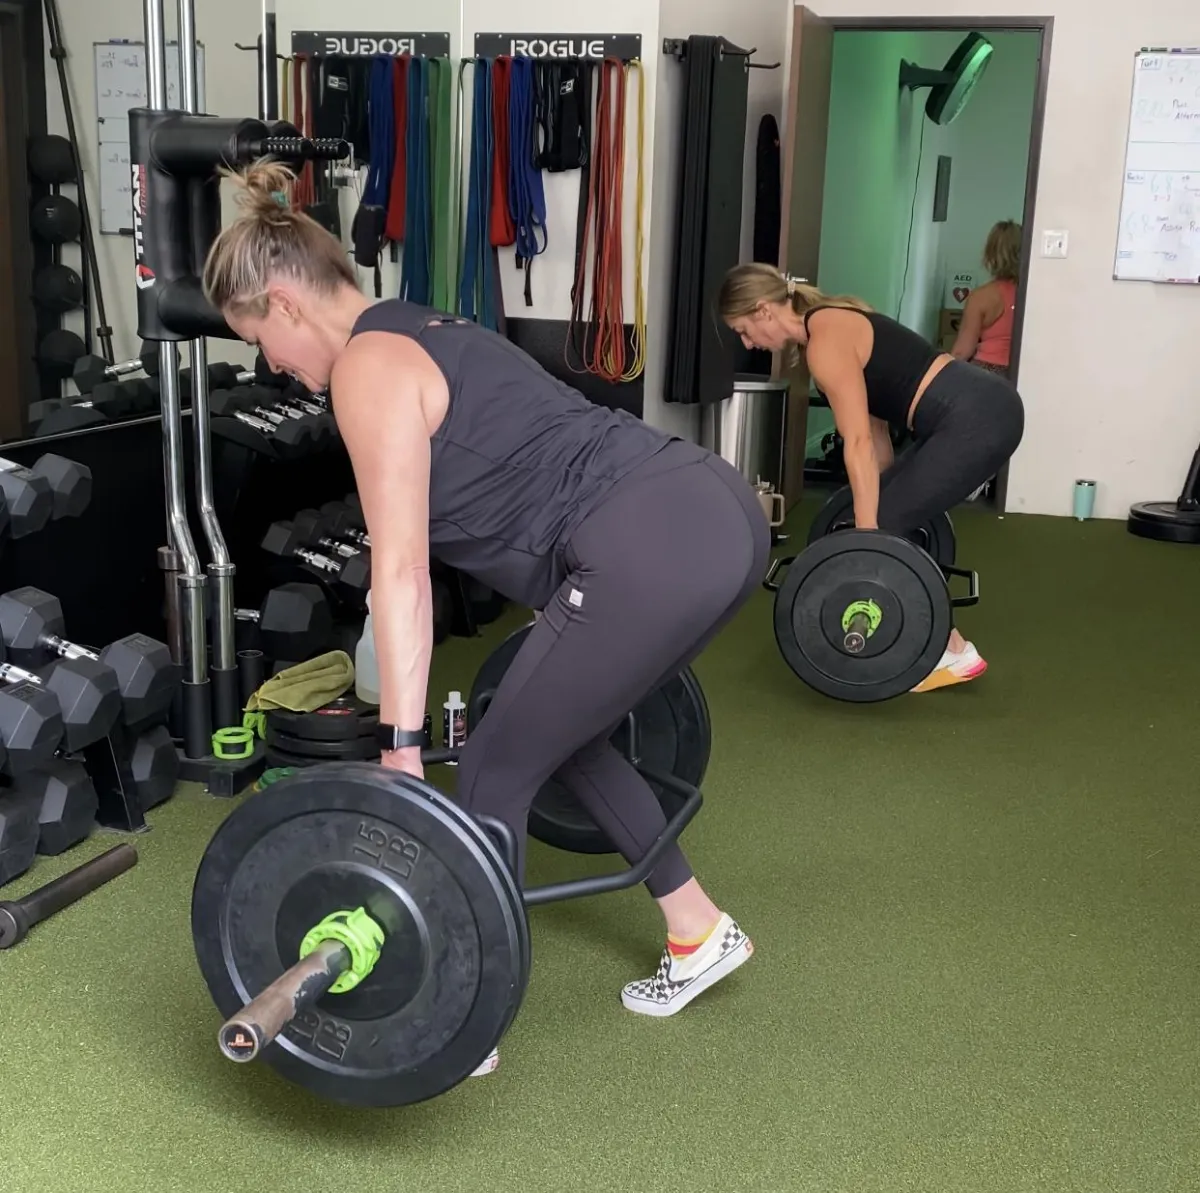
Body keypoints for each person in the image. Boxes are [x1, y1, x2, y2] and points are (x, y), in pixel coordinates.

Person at [203, 161, 768, 1072]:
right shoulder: (418, 321)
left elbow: (400, 574)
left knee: (499, 758)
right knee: (555, 729)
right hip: (715, 516)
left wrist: (399, 742)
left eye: (260, 341)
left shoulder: (367, 370)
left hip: (648, 542)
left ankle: (460, 1018)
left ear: (285, 304)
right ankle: (696, 927)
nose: (272, 365)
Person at [719, 263, 1024, 693]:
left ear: (764, 311)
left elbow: (857, 442)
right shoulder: (836, 320)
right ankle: (941, 639)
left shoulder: (825, 343)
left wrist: (869, 540)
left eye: (744, 330)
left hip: (977, 419)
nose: (749, 342)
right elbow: (877, 434)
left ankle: (949, 651)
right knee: (890, 515)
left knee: (885, 527)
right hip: (975, 413)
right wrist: (881, 512)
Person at [951, 220, 1022, 377]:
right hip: (1022, 371)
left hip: (986, 373)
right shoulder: (1032, 295)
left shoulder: (981, 297)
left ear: (990, 253)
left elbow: (962, 351)